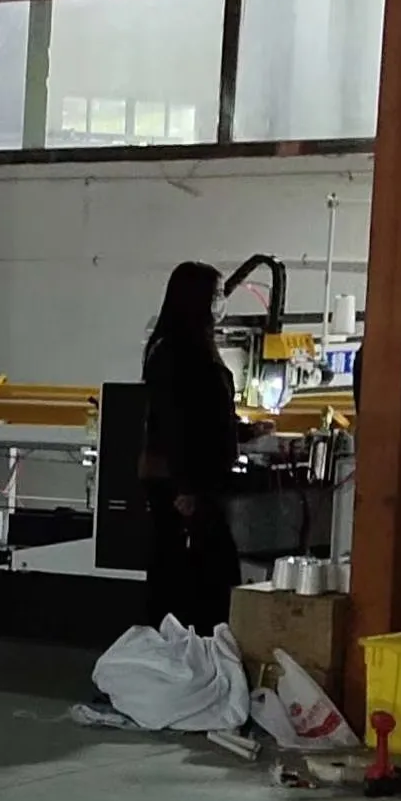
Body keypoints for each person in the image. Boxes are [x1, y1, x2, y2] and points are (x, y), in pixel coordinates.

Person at [137, 259, 245, 631]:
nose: (219, 303)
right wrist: (186, 487)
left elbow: (207, 417)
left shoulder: (195, 348)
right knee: (192, 575)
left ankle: (196, 645)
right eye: (215, 295)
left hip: (198, 481)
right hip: (181, 485)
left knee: (206, 573)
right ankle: (182, 645)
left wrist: (242, 432)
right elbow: (174, 422)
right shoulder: (175, 353)